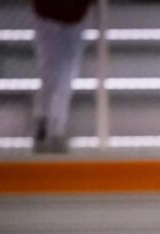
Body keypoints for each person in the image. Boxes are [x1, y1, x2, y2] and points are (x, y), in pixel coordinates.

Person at [31, 0, 94, 153]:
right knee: (57, 72)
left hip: (69, 15)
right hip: (53, 13)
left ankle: (51, 124)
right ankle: (51, 125)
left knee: (58, 71)